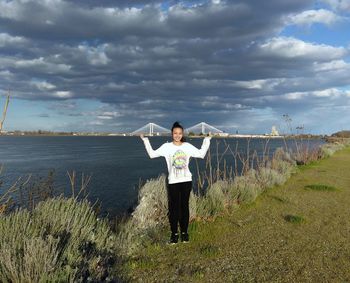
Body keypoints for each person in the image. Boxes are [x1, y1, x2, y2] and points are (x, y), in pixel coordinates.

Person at [140, 121, 212, 244]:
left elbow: (201, 154)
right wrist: (145, 140)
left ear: (182, 134)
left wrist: (207, 140)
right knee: (174, 208)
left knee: (184, 207)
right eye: (175, 133)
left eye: (179, 133)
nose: (177, 135)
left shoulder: (187, 146)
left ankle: (184, 232)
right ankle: (174, 233)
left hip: (186, 181)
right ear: (172, 134)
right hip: (173, 181)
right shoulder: (166, 147)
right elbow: (152, 154)